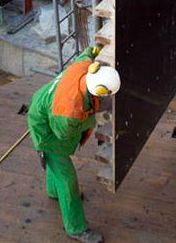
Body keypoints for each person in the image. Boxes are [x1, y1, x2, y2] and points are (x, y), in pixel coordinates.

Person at [27, 45, 121, 243]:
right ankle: (76, 228)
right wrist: (93, 118)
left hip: (41, 107)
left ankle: (53, 193)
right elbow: (62, 134)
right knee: (67, 178)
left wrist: (96, 49)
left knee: (54, 163)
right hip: (48, 132)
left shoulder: (85, 68)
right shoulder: (69, 111)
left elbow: (86, 54)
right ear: (99, 91)